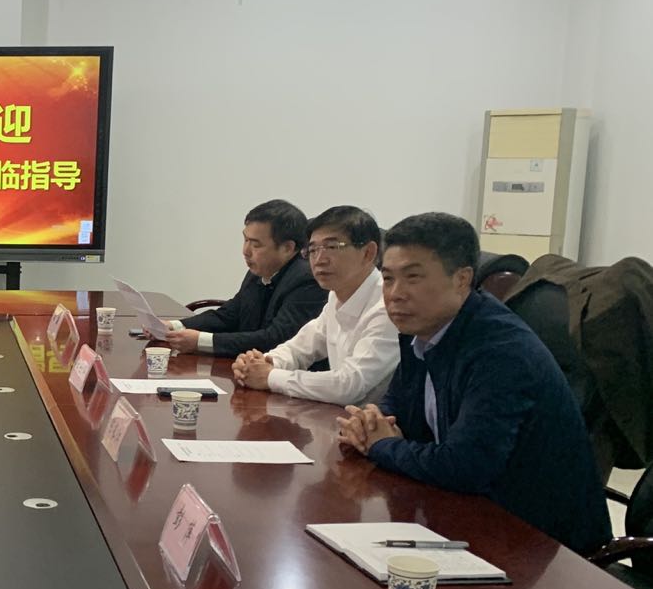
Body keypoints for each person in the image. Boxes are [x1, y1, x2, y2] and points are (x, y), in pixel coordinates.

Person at [336, 213, 610, 554]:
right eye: (388, 279)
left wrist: (380, 445)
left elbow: (465, 466)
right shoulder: (419, 328)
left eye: (413, 277)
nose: (394, 295)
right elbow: (398, 405)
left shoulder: (500, 351)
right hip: (465, 511)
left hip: (540, 543)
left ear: (462, 279)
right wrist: (370, 421)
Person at [233, 205, 398, 405]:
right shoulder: (337, 295)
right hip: (337, 416)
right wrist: (262, 363)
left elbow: (348, 385)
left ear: (368, 253)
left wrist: (269, 376)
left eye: (332, 247)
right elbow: (299, 348)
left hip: (373, 421)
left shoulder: (388, 307)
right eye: (312, 250)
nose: (319, 260)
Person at [166, 199, 326, 357]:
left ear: (287, 248)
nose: (245, 251)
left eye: (256, 245)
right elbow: (229, 315)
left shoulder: (308, 281)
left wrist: (200, 341)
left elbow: (276, 339)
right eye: (245, 240)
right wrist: (174, 327)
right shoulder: (258, 272)